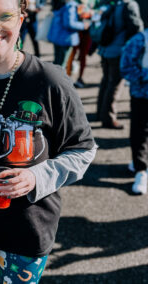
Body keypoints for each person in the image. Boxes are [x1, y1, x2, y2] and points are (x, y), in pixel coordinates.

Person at [0, 0, 96, 282]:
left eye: (4, 16)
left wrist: (36, 176)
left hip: (28, 229)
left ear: (21, 20)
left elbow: (83, 150)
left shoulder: (50, 80)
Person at [96, 0, 143, 129]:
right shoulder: (130, 5)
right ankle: (109, 118)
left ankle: (100, 113)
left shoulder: (114, 4)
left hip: (106, 49)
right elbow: (136, 27)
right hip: (118, 50)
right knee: (115, 84)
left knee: (106, 81)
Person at [120, 28, 148, 194]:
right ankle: (141, 169)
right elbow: (126, 67)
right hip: (142, 95)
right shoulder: (140, 39)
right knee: (140, 131)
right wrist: (145, 76)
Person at [48, 0, 90, 67]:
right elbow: (69, 24)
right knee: (62, 65)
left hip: (57, 37)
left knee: (57, 62)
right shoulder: (71, 5)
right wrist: (83, 25)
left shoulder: (61, 3)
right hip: (65, 38)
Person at [65, 0, 93, 88]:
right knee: (71, 55)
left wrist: (92, 13)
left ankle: (80, 78)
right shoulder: (74, 3)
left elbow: (97, 10)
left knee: (83, 55)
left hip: (87, 31)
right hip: (76, 31)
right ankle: (66, 78)